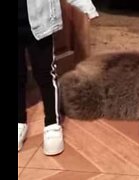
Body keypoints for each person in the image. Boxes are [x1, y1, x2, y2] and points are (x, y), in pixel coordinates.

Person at [18, 0, 98, 155]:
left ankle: (52, 123)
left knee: (45, 73)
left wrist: (86, 6)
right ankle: (19, 121)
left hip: (41, 22)